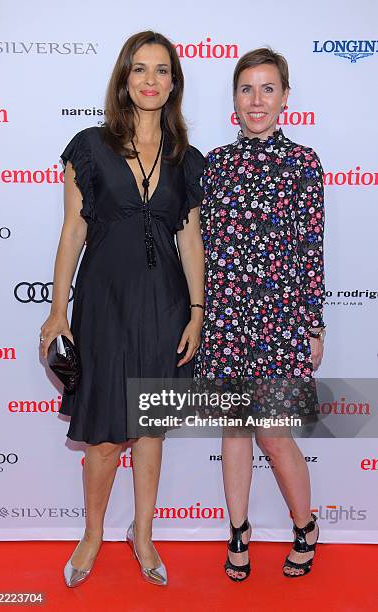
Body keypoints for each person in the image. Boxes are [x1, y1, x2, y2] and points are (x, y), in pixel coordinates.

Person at [40, 30, 205, 588]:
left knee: (152, 429)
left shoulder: (187, 158)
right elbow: (72, 231)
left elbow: (191, 240)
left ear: (174, 83)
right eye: (139, 69)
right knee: (107, 436)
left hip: (165, 307)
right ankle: (92, 534)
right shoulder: (90, 146)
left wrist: (198, 311)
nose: (150, 80)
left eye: (161, 70)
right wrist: (57, 309)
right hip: (103, 304)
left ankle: (143, 534)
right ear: (124, 79)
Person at [195, 47, 325, 581]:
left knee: (273, 434)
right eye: (246, 88)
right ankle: (239, 530)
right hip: (226, 316)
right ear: (234, 98)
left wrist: (314, 321)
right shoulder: (216, 166)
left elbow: (311, 247)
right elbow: (199, 246)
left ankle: (305, 526)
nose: (256, 99)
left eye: (267, 88)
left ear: (285, 97)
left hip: (280, 318)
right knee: (234, 430)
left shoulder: (304, 163)